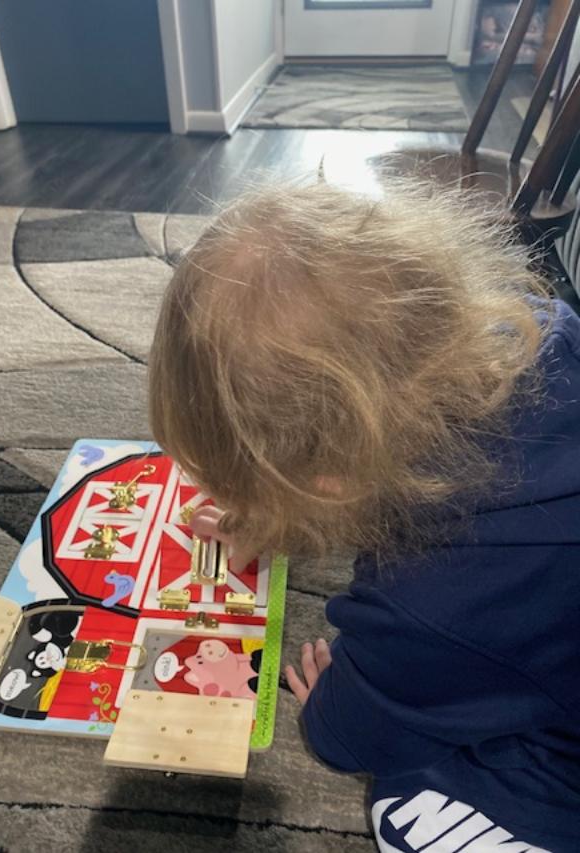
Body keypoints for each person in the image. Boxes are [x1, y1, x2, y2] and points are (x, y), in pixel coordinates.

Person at [148, 181, 580, 851]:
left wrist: (333, 705)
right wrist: (273, 511)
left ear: (326, 483)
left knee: (407, 805)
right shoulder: (542, 326)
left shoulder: (425, 605)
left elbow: (350, 736)